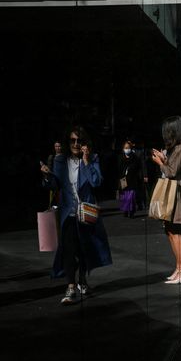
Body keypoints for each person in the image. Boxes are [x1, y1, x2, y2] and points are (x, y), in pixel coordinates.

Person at [41, 125, 112, 304]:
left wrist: (86, 161)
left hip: (86, 213)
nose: (75, 144)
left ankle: (82, 280)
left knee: (84, 250)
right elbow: (54, 185)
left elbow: (96, 182)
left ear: (85, 143)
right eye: (72, 140)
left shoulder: (92, 158)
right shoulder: (60, 160)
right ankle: (71, 287)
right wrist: (47, 176)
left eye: (79, 141)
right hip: (68, 213)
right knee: (69, 249)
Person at [151, 116, 181, 284]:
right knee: (170, 230)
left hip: (176, 191)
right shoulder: (178, 148)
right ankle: (179, 268)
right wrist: (163, 160)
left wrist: (160, 163)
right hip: (173, 190)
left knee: (175, 230)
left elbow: (171, 172)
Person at [117, 140, 141, 218]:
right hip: (123, 179)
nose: (127, 149)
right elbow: (119, 168)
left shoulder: (135, 157)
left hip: (132, 179)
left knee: (131, 195)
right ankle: (125, 210)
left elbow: (137, 167)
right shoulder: (121, 157)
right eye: (125, 148)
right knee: (124, 195)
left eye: (128, 148)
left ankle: (131, 210)